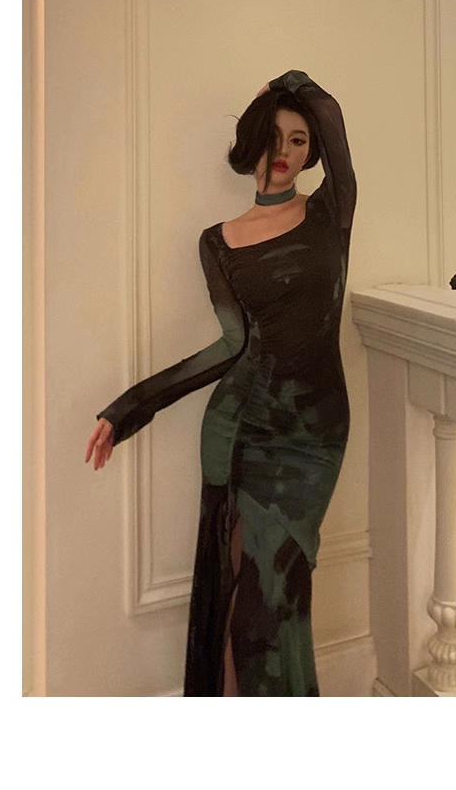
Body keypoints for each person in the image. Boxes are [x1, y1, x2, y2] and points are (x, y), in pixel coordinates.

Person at [85, 69, 356, 696]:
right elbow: (232, 346)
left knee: (276, 602)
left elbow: (332, 117)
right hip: (241, 430)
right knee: (237, 606)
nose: (284, 152)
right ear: (252, 142)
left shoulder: (330, 213)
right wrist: (129, 408)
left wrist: (286, 82)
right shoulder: (217, 243)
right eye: (272, 137)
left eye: (297, 140)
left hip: (315, 438)